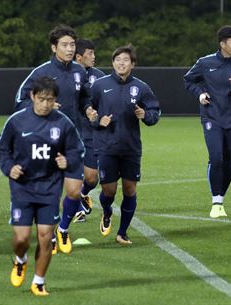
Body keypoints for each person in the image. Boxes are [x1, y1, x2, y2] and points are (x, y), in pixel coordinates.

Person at [0, 77, 84, 296]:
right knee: (21, 240)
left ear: (55, 100)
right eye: (42, 99)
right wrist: (9, 168)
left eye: (50, 100)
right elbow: (1, 150)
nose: (45, 104)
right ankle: (20, 259)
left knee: (46, 236)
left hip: (50, 188)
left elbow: (77, 150)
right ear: (32, 96)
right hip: (22, 188)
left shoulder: (63, 123)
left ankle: (39, 281)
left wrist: (68, 162)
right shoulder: (17, 121)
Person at [14, 24, 95, 254]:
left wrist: (88, 110)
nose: (70, 49)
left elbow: (85, 99)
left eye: (72, 45)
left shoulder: (80, 71)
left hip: (71, 141)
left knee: (73, 190)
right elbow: (20, 101)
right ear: (54, 47)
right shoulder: (41, 73)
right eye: (65, 45)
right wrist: (43, 106)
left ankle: (64, 229)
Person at [90, 45, 161, 245]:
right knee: (108, 191)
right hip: (107, 147)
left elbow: (155, 112)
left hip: (131, 148)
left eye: (126, 60)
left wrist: (145, 115)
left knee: (130, 190)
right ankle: (106, 211)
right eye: (118, 60)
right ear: (113, 63)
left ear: (133, 64)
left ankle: (122, 232)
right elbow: (87, 111)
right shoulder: (100, 86)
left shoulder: (141, 87)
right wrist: (97, 121)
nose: (121, 63)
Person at [184, 25, 231, 218]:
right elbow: (188, 80)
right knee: (217, 157)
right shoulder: (205, 62)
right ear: (222, 44)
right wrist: (200, 94)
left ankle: (221, 197)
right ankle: (216, 201)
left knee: (229, 162)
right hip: (212, 117)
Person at [73, 38, 106, 223]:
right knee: (72, 173)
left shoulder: (99, 76)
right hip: (71, 132)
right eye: (90, 54)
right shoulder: (66, 75)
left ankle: (84, 193)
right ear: (79, 57)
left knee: (92, 178)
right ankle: (74, 209)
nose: (94, 57)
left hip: (91, 133)